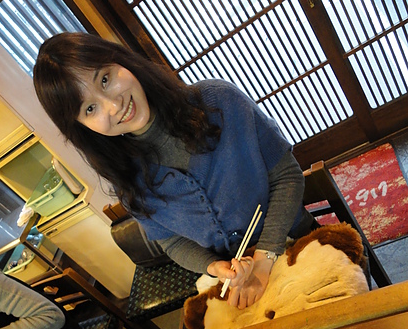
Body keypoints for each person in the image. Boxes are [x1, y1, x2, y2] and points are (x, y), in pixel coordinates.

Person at [33, 32, 317, 309]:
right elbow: (171, 241)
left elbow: (286, 176)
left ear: (121, 60)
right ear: (82, 127)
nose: (114, 105)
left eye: (105, 79)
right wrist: (212, 266)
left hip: (298, 242)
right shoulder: (127, 178)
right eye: (90, 108)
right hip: (240, 275)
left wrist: (266, 257)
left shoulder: (218, 102)